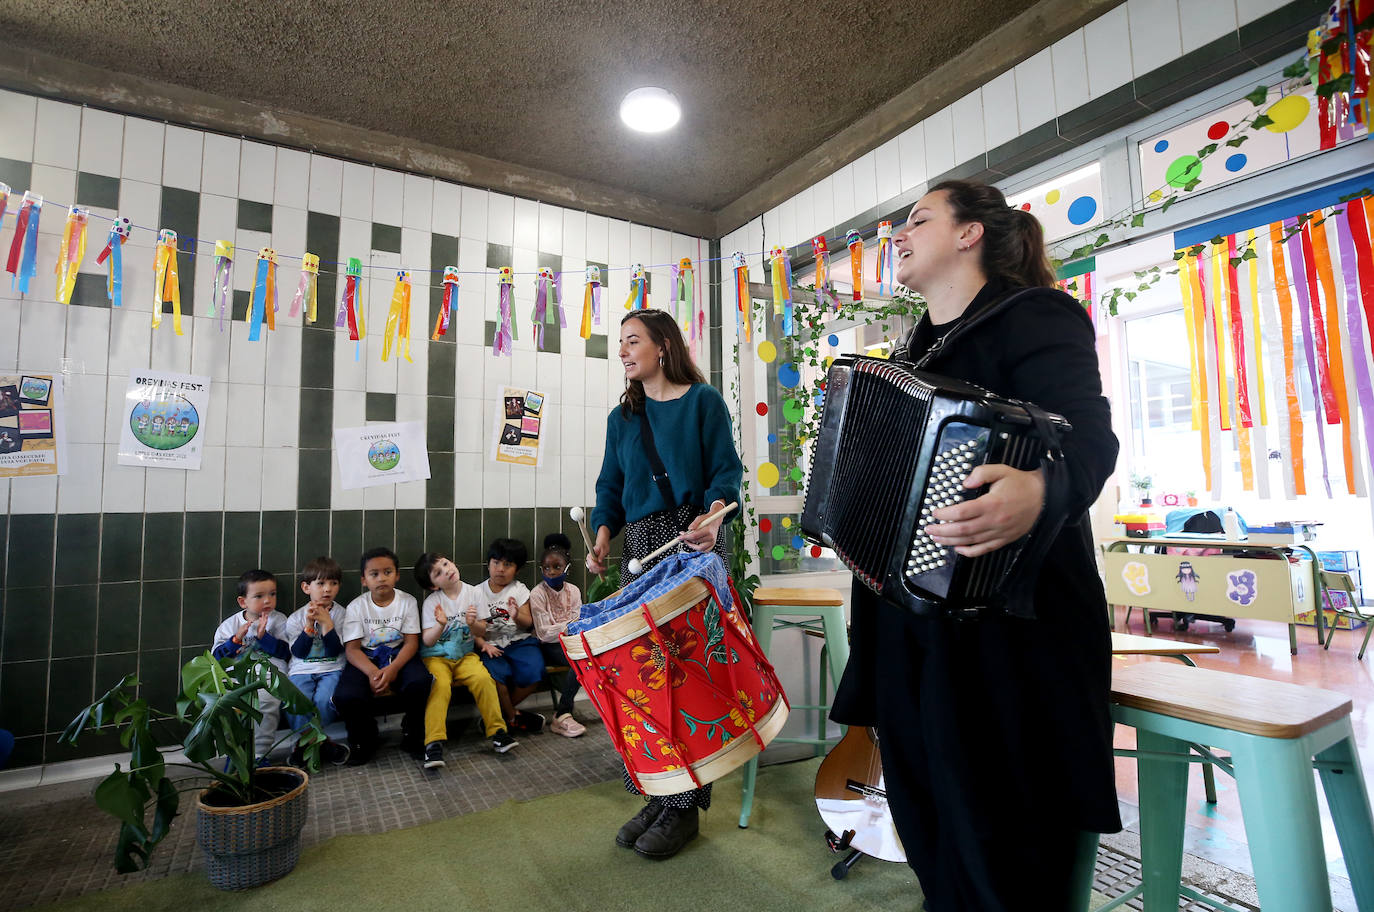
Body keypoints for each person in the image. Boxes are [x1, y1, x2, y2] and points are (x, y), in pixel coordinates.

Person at [829, 180, 1121, 911]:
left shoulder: (1037, 318)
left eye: (918, 219)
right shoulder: (909, 351)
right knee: (930, 825)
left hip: (1006, 639)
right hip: (905, 630)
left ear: (971, 235)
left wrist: (1041, 491)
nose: (897, 234)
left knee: (1005, 846)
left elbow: (1091, 439)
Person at [586, 307, 743, 860]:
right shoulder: (620, 418)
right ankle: (658, 792)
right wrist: (602, 533)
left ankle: (685, 808)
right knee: (645, 680)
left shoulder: (704, 402)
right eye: (621, 343)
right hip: (639, 547)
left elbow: (728, 471)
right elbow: (610, 483)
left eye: (633, 341)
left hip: (693, 542)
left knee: (691, 677)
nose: (624, 351)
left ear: (663, 347)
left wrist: (716, 514)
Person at [414, 551, 517, 767]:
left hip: (465, 655)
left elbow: (482, 630)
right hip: (437, 658)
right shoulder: (432, 602)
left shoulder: (473, 593)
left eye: (446, 563)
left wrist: (473, 623)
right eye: (438, 572)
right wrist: (440, 624)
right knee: (440, 686)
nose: (447, 570)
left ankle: (498, 732)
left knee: (483, 679)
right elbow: (428, 641)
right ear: (433, 585)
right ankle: (433, 743)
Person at [334, 547, 429, 766]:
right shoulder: (356, 607)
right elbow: (353, 649)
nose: (381, 578)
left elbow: (412, 642)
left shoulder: (408, 602)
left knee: (420, 681)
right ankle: (364, 739)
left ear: (396, 575)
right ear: (364, 580)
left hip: (399, 653)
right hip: (367, 658)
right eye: (374, 574)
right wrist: (373, 672)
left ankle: (413, 734)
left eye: (387, 572)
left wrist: (393, 668)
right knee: (346, 695)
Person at [211, 569, 291, 765]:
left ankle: (259, 755)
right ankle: (236, 752)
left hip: (269, 674)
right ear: (242, 602)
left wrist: (265, 638)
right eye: (259, 596)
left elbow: (286, 652)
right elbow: (217, 658)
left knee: (265, 704)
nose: (267, 601)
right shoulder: (230, 625)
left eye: (272, 594)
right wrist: (236, 640)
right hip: (236, 675)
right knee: (228, 704)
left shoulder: (279, 620)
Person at [282, 556, 351, 768]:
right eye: (320, 583)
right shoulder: (295, 618)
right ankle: (321, 743)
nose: (327, 589)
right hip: (301, 670)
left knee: (325, 700)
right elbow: (299, 652)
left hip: (332, 668)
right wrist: (310, 624)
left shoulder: (343, 615)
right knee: (296, 700)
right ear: (306, 587)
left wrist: (328, 624)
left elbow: (336, 649)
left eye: (333, 583)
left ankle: (305, 744)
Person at [473, 538, 546, 734]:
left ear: (517, 569)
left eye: (508, 564)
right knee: (496, 678)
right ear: (488, 564)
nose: (500, 569)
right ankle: (512, 717)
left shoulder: (519, 589)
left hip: (519, 642)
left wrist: (515, 615)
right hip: (490, 645)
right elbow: (473, 628)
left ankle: (499, 715)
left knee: (535, 670)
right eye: (496, 562)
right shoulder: (476, 592)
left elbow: (528, 622)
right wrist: (483, 644)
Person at [528, 533, 587, 738]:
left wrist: (563, 627)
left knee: (586, 657)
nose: (551, 572)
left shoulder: (574, 591)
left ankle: (566, 711)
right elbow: (544, 633)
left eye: (556, 567)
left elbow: (578, 624)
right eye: (546, 568)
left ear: (567, 568)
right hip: (547, 646)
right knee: (577, 661)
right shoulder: (537, 593)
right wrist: (568, 625)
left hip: (568, 641)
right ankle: (562, 714)